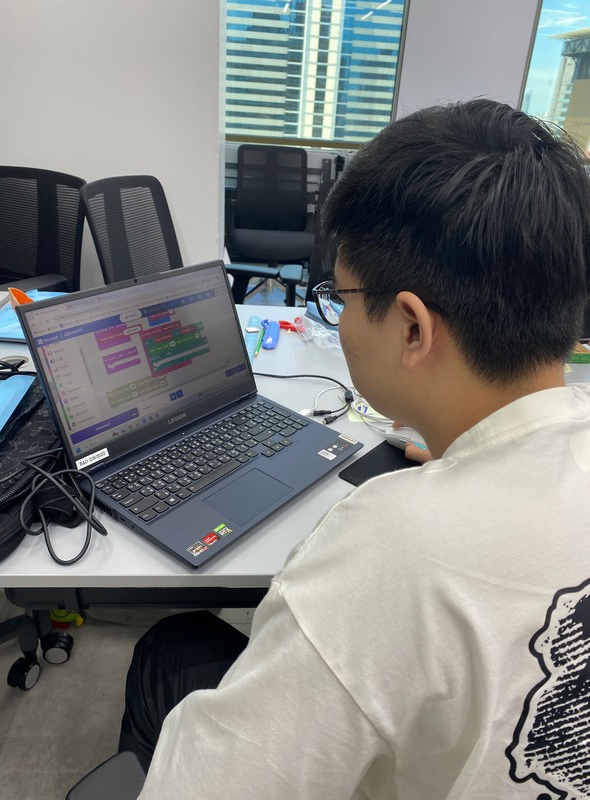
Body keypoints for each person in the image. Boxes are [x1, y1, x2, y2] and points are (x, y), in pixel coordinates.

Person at [119, 99, 590, 799]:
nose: (337, 320)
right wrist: (469, 464)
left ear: (412, 328)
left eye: (338, 299)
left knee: (171, 649)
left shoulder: (389, 548)